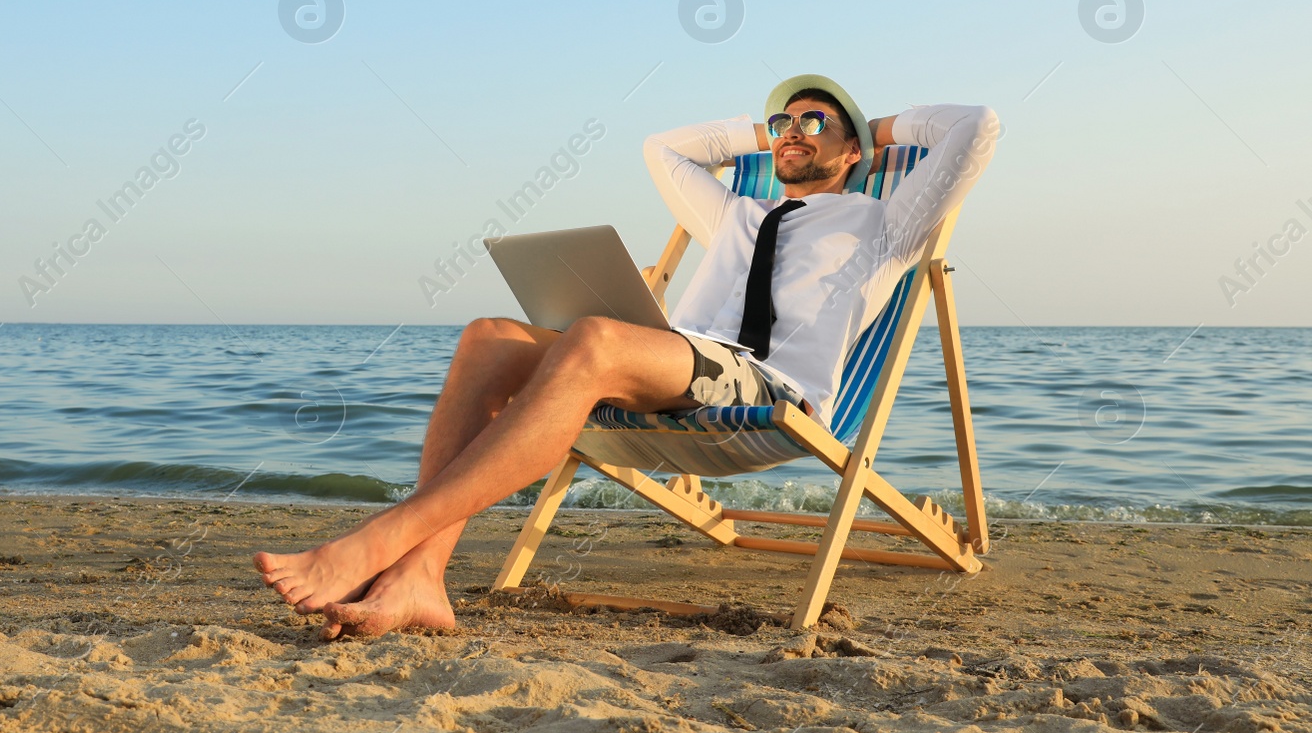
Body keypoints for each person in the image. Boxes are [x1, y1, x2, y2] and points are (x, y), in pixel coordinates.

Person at [254, 73, 999, 639]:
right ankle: (420, 576)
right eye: (782, 121)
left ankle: (385, 537)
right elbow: (663, 149)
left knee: (594, 337)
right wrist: (763, 128)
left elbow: (977, 126)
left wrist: (877, 125)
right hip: (672, 369)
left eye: (813, 120)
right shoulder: (736, 214)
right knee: (490, 335)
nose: (790, 130)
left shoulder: (882, 225)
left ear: (855, 148)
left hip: (766, 392)